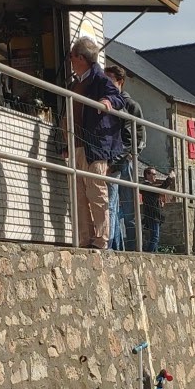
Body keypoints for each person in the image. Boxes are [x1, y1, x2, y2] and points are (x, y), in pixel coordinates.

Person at [66, 37, 123, 250]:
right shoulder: (75, 83)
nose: (70, 60)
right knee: (79, 194)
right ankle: (84, 239)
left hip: (95, 145)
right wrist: (64, 145)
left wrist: (107, 101)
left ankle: (101, 240)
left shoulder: (100, 79)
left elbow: (118, 98)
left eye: (72, 56)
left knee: (96, 192)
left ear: (81, 58)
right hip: (77, 144)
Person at [104, 62, 145, 250]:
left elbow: (140, 135)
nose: (106, 82)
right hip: (113, 158)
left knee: (128, 209)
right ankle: (116, 245)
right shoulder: (108, 101)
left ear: (120, 81)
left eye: (110, 79)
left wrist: (128, 156)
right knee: (113, 204)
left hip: (125, 159)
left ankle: (133, 248)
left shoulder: (132, 105)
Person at [140, 164, 171, 254]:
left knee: (155, 237)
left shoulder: (149, 186)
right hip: (152, 215)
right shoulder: (146, 186)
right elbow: (162, 187)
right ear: (147, 175)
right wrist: (170, 178)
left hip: (154, 215)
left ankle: (153, 253)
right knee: (155, 237)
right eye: (153, 174)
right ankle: (149, 254)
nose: (155, 176)